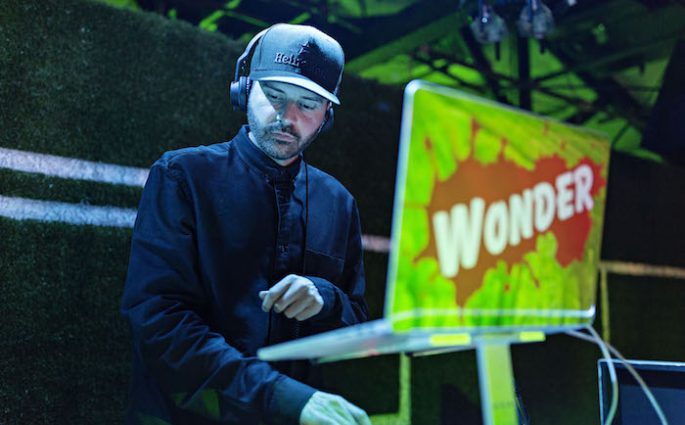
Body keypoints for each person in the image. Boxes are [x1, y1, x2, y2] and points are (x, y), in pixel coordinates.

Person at [120, 23, 370, 425]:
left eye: (308, 104)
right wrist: (282, 397)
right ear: (244, 89)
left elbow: (357, 320)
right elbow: (159, 322)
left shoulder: (339, 203)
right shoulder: (183, 175)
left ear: (328, 115)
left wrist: (326, 299)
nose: (287, 117)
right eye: (274, 95)